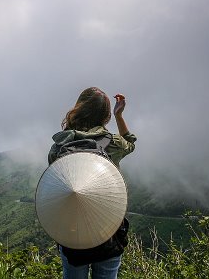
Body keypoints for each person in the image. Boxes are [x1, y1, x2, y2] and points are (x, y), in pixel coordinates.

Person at [48, 87, 136, 279]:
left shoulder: (60, 146)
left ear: (78, 108)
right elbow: (130, 142)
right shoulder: (114, 143)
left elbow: (57, 185)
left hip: (73, 231)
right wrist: (119, 115)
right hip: (109, 229)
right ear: (105, 116)